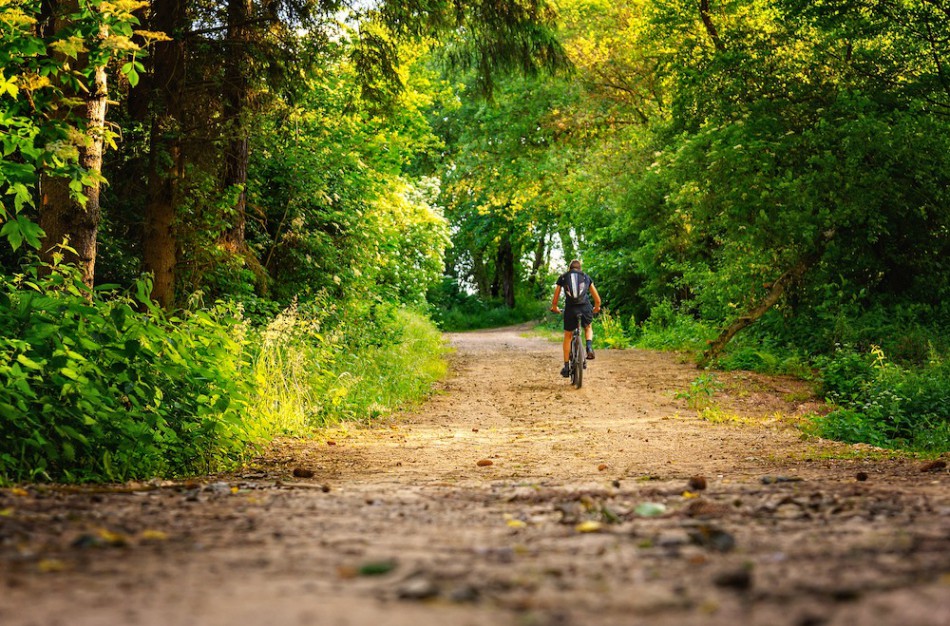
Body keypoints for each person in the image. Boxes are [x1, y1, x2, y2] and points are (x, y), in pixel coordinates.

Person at [550, 259, 602, 378]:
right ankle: (589, 346)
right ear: (580, 268)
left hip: (570, 309)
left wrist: (555, 307)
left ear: (569, 269)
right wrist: (596, 307)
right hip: (585, 308)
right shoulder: (585, 277)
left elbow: (555, 297)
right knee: (588, 327)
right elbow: (597, 299)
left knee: (568, 335)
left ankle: (566, 367)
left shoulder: (563, 277)